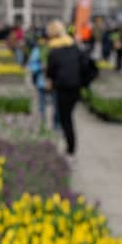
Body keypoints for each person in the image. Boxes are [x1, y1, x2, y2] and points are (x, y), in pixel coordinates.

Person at [46, 20, 81, 156]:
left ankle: (70, 147)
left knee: (65, 118)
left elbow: (51, 71)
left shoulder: (54, 50)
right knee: (68, 116)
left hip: (62, 87)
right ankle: (69, 144)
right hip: (75, 86)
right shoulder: (73, 46)